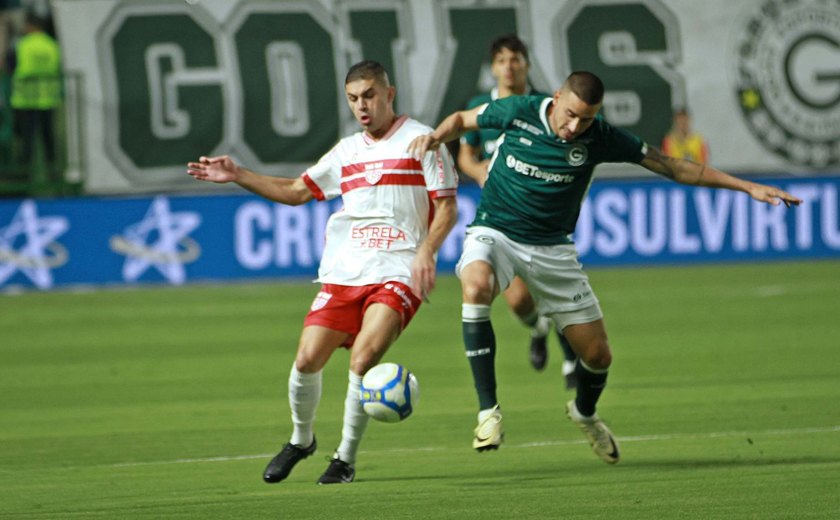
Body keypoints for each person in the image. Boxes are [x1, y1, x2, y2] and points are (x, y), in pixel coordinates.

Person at [408, 71, 801, 461]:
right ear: (557, 97)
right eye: (571, 114)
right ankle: (488, 412)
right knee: (475, 285)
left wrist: (749, 187)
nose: (575, 126)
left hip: (553, 251)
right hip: (496, 231)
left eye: (586, 118)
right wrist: (435, 137)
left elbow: (672, 165)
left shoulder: (599, 137)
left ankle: (584, 412)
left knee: (598, 357)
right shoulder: (520, 110)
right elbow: (463, 120)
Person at [187, 60, 458, 484]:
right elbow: (297, 191)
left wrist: (427, 251)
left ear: (390, 94)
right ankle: (301, 440)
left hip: (401, 268)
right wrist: (238, 174)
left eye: (369, 95)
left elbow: (447, 207)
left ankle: (344, 459)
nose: (361, 106)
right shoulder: (347, 152)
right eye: (353, 98)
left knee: (365, 358)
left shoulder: (422, 142)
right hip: (346, 270)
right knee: (306, 359)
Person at [458, 34, 578, 384]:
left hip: (540, 216)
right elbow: (466, 153)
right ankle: (538, 328)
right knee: (518, 302)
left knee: (550, 288)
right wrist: (477, 169)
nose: (509, 67)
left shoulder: (545, 106)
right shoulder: (483, 104)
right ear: (493, 67)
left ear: (526, 63)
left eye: (516, 59)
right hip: (499, 221)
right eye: (502, 61)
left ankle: (571, 361)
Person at [8, 11, 61, 184]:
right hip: (47, 97)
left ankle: (23, 177)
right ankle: (53, 173)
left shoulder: (23, 44)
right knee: (48, 139)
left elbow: (11, 65)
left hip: (25, 98)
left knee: (26, 140)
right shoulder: (52, 44)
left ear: (31, 26)